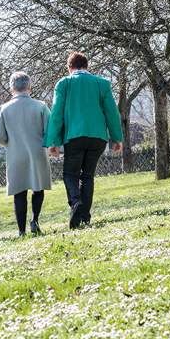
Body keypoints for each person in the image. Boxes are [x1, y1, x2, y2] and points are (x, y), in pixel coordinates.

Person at [43, 52, 122, 229]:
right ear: (87, 67)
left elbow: (57, 114)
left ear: (69, 68)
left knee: (70, 174)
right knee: (87, 176)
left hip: (74, 137)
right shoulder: (102, 83)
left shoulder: (64, 83)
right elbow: (112, 112)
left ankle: (75, 203)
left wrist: (53, 141)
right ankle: (84, 217)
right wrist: (116, 138)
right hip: (98, 138)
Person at [0, 71, 53, 237]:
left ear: (11, 89)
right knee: (38, 188)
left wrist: (10, 144)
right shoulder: (41, 106)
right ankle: (35, 220)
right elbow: (50, 131)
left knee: (19, 192)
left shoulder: (3, 109)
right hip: (38, 152)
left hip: (15, 153)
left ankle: (21, 230)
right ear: (29, 87)